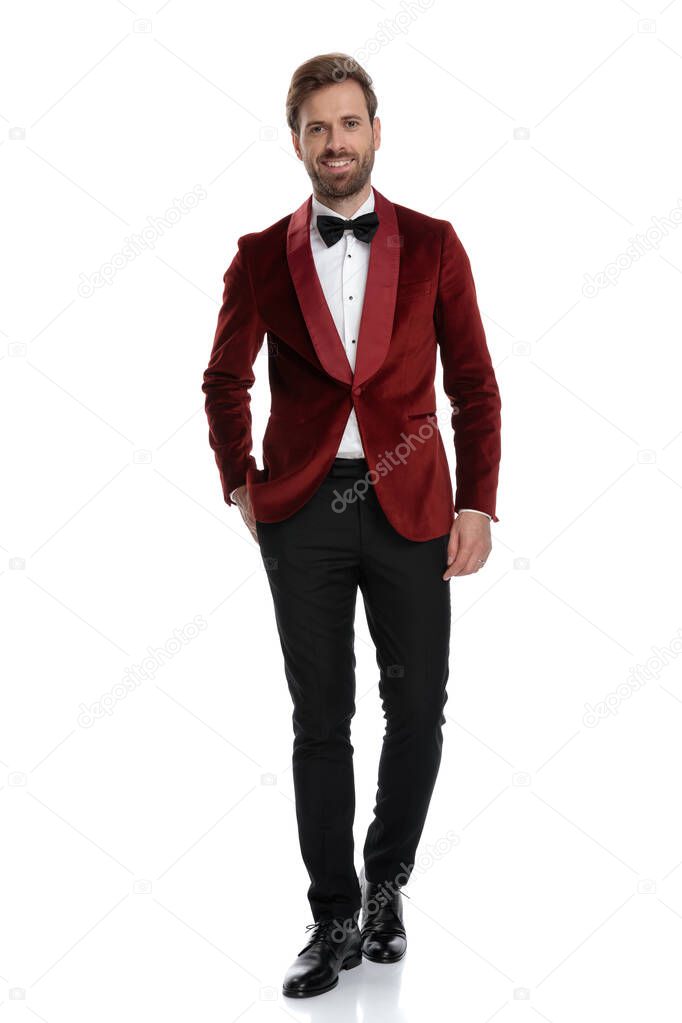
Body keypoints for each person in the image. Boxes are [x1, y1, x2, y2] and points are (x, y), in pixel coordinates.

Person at [201, 52, 501, 999]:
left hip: (413, 509)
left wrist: (478, 502)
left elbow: (475, 385)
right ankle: (331, 914)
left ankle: (387, 886)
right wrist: (240, 484)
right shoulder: (258, 256)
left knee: (417, 711)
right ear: (296, 142)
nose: (336, 142)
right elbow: (223, 380)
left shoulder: (437, 244)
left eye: (350, 123)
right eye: (318, 128)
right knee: (319, 718)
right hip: (304, 518)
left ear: (378, 131)